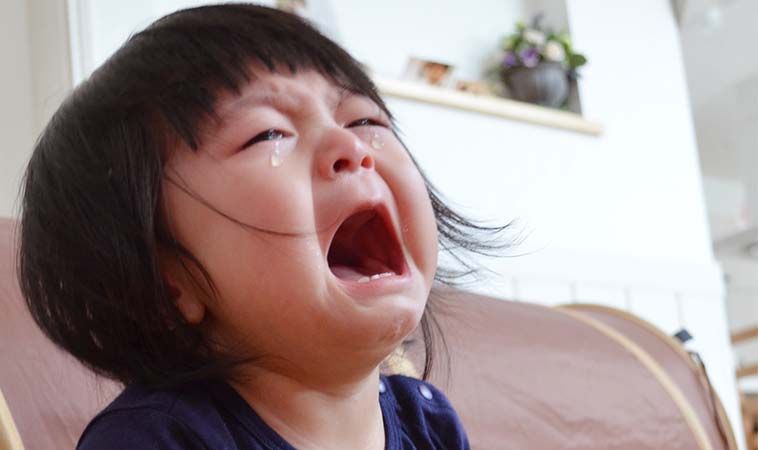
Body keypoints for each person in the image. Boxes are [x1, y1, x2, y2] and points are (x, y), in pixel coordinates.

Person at [17, 4, 505, 449]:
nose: (351, 147)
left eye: (364, 121)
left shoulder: (430, 424)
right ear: (168, 284)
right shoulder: (156, 440)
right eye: (268, 134)